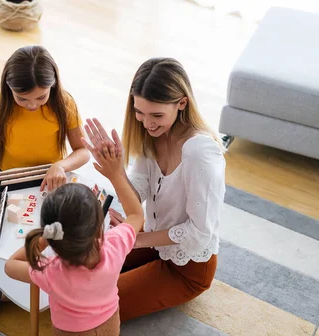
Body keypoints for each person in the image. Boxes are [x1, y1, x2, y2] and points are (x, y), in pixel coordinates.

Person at [82, 57, 226, 322]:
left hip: (188, 267)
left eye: (157, 115)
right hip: (153, 239)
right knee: (82, 268)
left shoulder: (200, 152)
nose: (147, 123)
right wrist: (115, 173)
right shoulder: (153, 134)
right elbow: (137, 194)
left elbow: (200, 234)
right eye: (140, 112)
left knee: (93, 307)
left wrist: (135, 239)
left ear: (182, 103)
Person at [4, 150, 160, 336]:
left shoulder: (51, 272)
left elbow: (10, 267)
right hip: (110, 323)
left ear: (54, 235)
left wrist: (45, 238)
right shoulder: (114, 244)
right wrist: (115, 175)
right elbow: (135, 215)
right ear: (99, 229)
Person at [0, 45, 89, 191]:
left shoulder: (64, 102)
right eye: (22, 99)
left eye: (41, 97)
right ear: (8, 87)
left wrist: (60, 166)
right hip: (10, 177)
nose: (32, 105)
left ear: (53, 84)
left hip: (50, 176)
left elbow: (83, 151)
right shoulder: (0, 101)